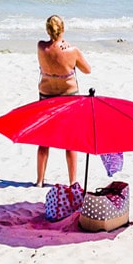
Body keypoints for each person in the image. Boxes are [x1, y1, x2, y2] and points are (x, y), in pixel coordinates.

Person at [36, 14, 91, 187]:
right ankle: (73, 181)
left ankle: (39, 181)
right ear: (63, 29)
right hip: (68, 97)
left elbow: (51, 49)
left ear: (47, 30)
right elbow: (87, 70)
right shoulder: (71, 50)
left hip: (46, 95)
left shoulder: (40, 47)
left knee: (43, 140)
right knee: (70, 140)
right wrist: (70, 49)